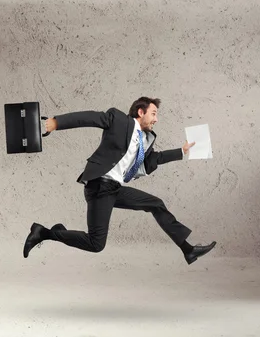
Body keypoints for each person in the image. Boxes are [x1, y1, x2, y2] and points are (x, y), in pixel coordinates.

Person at [22, 97, 216, 265]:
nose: (156, 119)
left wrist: (181, 152)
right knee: (96, 244)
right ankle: (45, 233)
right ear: (141, 112)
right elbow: (88, 117)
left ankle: (188, 250)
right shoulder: (118, 120)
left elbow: (151, 161)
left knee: (156, 204)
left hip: (115, 189)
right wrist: (56, 123)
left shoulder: (146, 139)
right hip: (99, 185)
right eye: (153, 113)